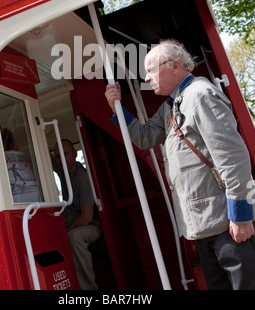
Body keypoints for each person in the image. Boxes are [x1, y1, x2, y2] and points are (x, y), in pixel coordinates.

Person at [105, 39, 255, 290]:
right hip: (205, 225)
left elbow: (232, 156)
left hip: (227, 223)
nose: (147, 77)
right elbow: (145, 137)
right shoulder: (173, 104)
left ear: (175, 66)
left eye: (151, 70)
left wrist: (241, 216)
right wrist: (117, 108)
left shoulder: (199, 94)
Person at [52, 139, 102, 290]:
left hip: (92, 226)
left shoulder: (82, 177)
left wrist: (66, 232)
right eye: (58, 156)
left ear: (74, 154)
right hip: (72, 224)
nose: (62, 159)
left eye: (66, 154)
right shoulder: (62, 170)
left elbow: (87, 217)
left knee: (74, 238)